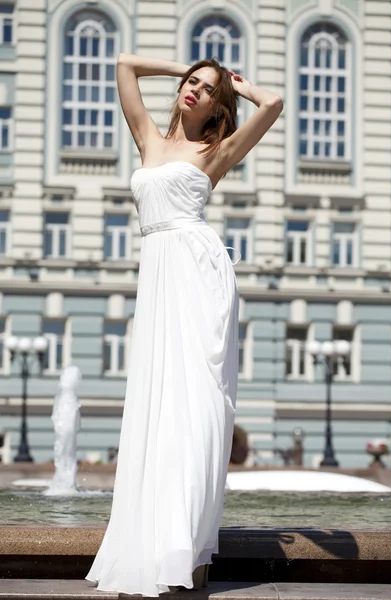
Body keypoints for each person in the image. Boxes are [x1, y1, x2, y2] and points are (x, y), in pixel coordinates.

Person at [86, 54, 282, 597]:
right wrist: (187, 68)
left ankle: (189, 549)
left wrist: (235, 85)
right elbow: (124, 65)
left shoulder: (215, 151)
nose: (194, 91)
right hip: (157, 277)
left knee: (195, 407)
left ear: (220, 105)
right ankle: (162, 544)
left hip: (199, 275)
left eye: (205, 89)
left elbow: (273, 105)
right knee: (158, 407)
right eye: (191, 84)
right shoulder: (148, 136)